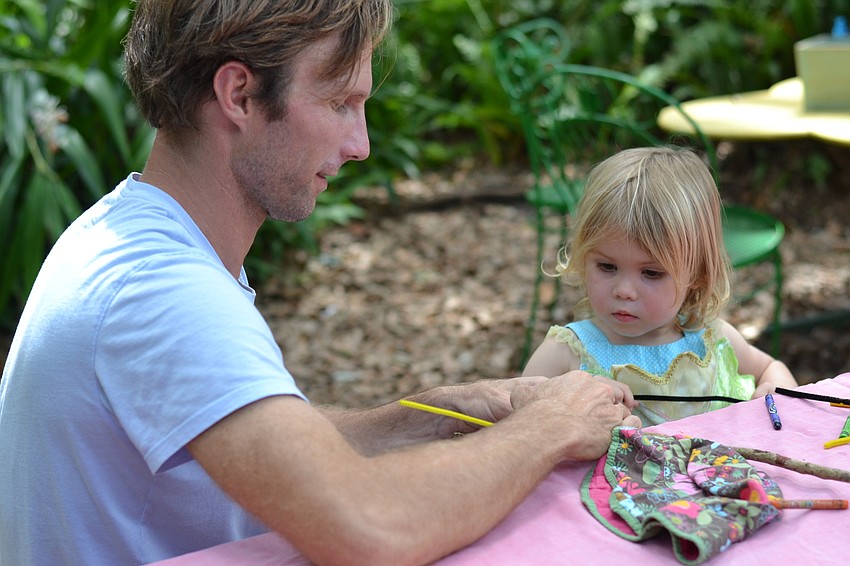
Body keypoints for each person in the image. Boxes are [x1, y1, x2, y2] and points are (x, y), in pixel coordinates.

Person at [0, 1, 641, 565]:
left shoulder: (130, 232)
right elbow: (369, 531)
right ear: (240, 96)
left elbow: (264, 450)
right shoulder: (163, 292)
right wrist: (550, 428)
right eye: (340, 103)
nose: (361, 143)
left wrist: (441, 411)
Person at [522, 147, 798, 426]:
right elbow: (516, 422)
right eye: (607, 267)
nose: (624, 290)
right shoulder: (566, 352)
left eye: (651, 273)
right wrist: (573, 403)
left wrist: (777, 392)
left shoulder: (714, 341)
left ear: (697, 275)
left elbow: (771, 368)